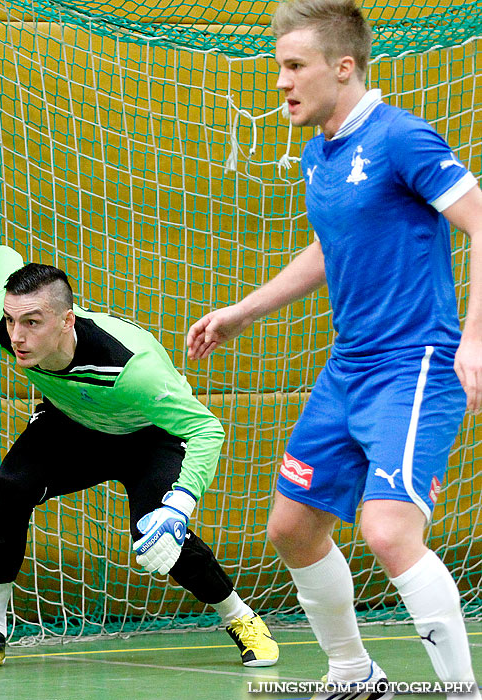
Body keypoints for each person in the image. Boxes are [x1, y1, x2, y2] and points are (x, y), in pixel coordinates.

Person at [186, 1, 482, 698]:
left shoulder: (401, 138)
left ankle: (461, 690)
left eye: (295, 67)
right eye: (278, 67)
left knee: (385, 531)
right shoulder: (322, 151)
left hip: (414, 365)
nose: (281, 83)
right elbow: (330, 246)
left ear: (342, 67)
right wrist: (241, 312)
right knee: (290, 528)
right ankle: (354, 674)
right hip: (349, 367)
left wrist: (473, 338)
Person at [0, 244, 279, 672]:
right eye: (11, 321)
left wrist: (180, 504)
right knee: (7, 495)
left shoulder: (133, 369)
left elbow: (205, 429)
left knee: (160, 540)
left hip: (147, 436)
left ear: (67, 320)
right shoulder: (9, 330)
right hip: (73, 423)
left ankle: (242, 619)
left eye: (32, 322)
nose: (17, 337)